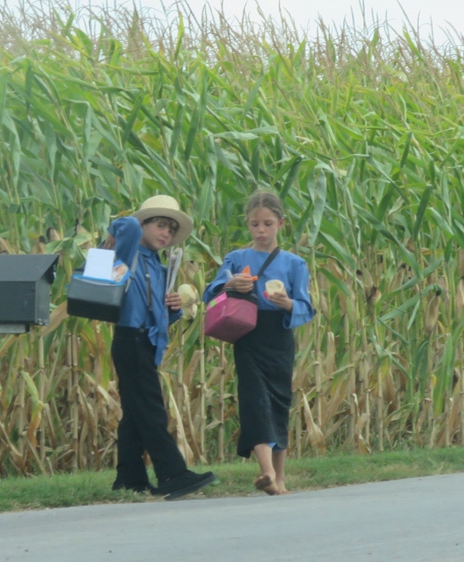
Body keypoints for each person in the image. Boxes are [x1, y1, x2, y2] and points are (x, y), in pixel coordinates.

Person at [104, 194, 216, 500]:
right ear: (143, 225)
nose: (165, 233)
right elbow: (125, 224)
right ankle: (172, 474)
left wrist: (175, 308)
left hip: (147, 341)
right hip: (130, 337)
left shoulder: (159, 265)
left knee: (135, 414)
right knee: (152, 411)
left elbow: (162, 316)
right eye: (159, 225)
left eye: (170, 229)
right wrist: (116, 232)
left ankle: (129, 479)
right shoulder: (129, 253)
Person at [202, 191, 314, 495]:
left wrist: (286, 303)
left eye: (267, 224)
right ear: (247, 225)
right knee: (254, 398)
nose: (260, 230)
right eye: (254, 225)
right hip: (248, 332)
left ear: (280, 223)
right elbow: (209, 293)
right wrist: (230, 283)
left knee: (279, 401)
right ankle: (266, 472)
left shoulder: (295, 264)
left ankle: (280, 478)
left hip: (278, 334)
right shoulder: (237, 259)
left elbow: (306, 307)